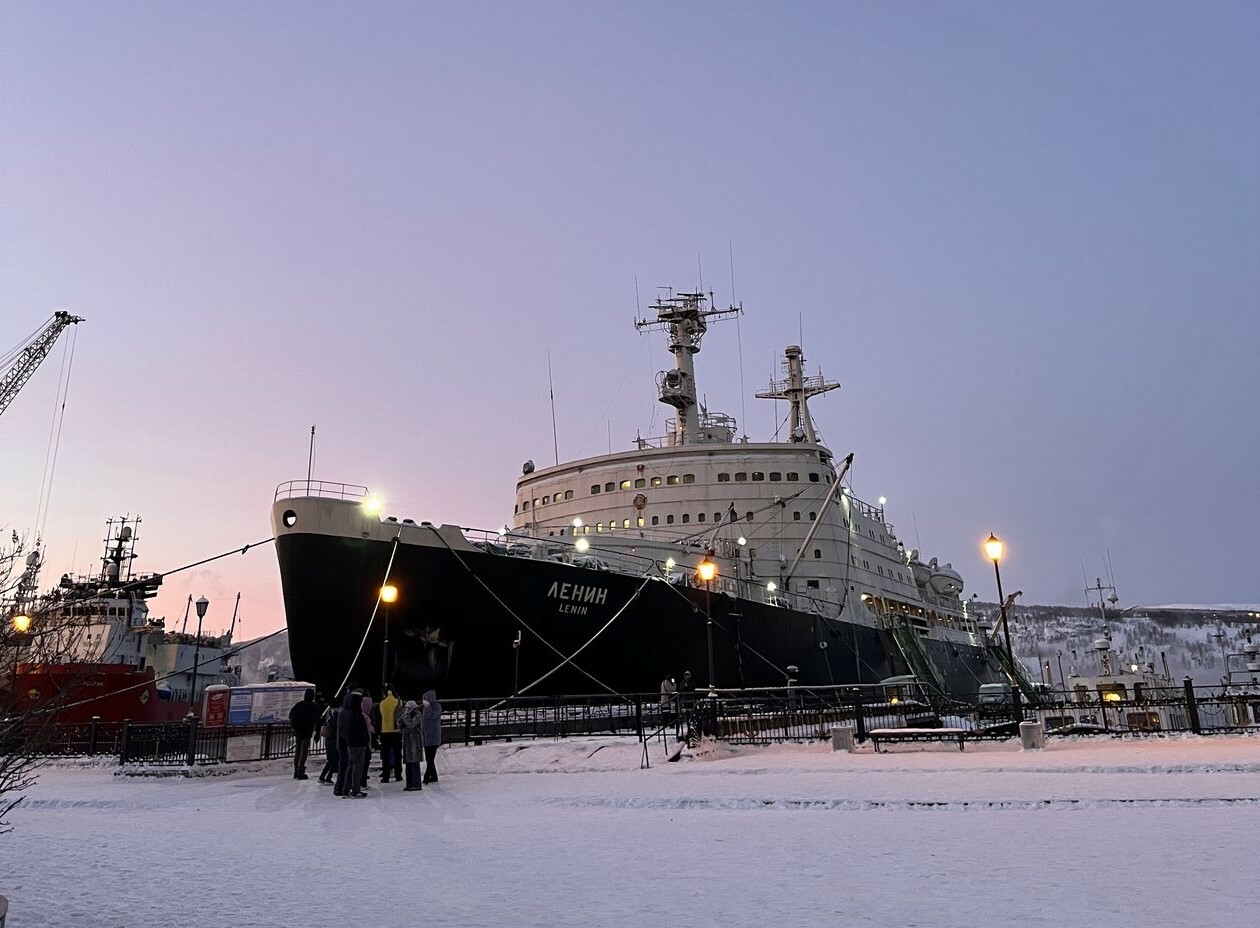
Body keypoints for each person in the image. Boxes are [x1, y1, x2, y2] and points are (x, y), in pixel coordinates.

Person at [340, 690, 369, 799]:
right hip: (359, 744)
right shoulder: (356, 714)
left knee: (351, 766)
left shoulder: (345, 713)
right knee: (357, 767)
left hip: (351, 744)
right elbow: (362, 730)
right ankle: (355, 790)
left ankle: (346, 789)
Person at [287, 689, 321, 780]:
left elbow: (291, 716)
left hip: (298, 731)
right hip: (307, 731)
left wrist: (295, 727)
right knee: (304, 751)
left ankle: (295, 771)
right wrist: (317, 734)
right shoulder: (314, 706)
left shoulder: (299, 705)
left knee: (297, 751)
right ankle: (300, 770)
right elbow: (318, 721)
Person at [378, 685, 402, 783]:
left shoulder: (382, 703)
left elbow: (382, 715)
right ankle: (398, 775)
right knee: (397, 754)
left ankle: (386, 776)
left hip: (385, 731)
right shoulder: (398, 702)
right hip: (396, 731)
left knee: (386, 755)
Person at [399, 699, 425, 791]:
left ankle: (416, 784)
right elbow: (401, 726)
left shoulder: (417, 714)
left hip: (415, 742)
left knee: (414, 763)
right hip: (407, 742)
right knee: (408, 765)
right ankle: (409, 784)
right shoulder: (407, 715)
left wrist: (405, 716)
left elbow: (411, 724)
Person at [421, 689, 442, 785]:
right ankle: (434, 776)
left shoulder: (437, 706)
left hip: (433, 737)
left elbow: (432, 716)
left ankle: (426, 777)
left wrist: (428, 707)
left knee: (430, 758)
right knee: (429, 758)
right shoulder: (425, 709)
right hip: (426, 736)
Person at [317, 698, 340, 784]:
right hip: (334, 739)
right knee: (334, 759)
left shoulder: (329, 713)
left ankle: (323, 776)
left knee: (331, 759)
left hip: (329, 739)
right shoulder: (337, 713)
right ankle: (328, 777)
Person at [360, 692, 376, 789]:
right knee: (365, 762)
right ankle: (363, 782)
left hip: (362, 742)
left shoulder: (360, 714)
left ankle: (362, 781)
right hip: (365, 742)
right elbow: (371, 729)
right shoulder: (365, 716)